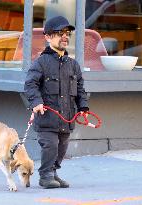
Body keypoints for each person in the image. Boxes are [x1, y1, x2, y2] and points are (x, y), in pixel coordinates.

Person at [24, 16, 89, 189]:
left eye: (67, 33)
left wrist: (83, 107)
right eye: (59, 33)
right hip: (47, 118)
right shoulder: (41, 63)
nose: (64, 36)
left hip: (67, 118)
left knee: (62, 148)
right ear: (47, 37)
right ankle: (45, 176)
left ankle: (53, 172)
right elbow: (30, 84)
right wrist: (36, 102)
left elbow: (80, 88)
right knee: (50, 146)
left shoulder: (73, 65)